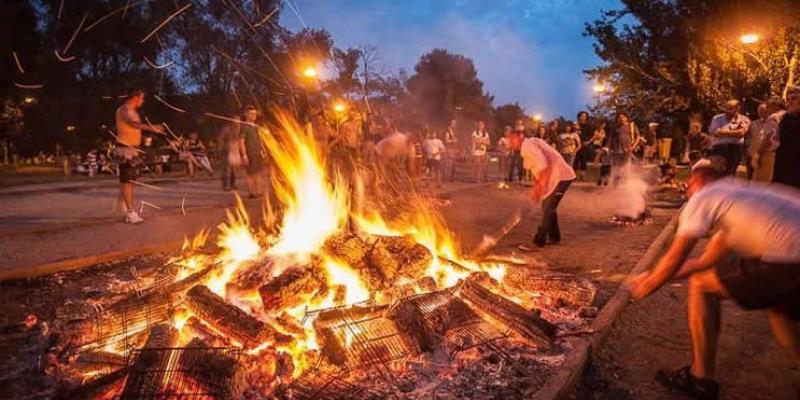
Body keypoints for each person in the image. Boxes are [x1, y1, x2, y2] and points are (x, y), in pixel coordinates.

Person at [629, 167, 800, 399]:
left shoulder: (705, 196)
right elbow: (700, 262)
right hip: (791, 259)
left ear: (698, 180)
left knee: (701, 286)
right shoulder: (738, 197)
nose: (687, 189)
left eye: (689, 183)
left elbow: (676, 256)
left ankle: (700, 379)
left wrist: (648, 286)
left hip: (791, 260)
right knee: (780, 311)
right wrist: (653, 274)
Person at [113, 90, 165, 224]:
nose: (143, 101)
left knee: (129, 180)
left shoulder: (130, 110)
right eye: (142, 98)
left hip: (132, 149)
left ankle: (124, 205)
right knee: (128, 180)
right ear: (135, 97)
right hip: (125, 150)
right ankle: (130, 213)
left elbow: (132, 129)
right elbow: (132, 123)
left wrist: (142, 139)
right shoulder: (125, 110)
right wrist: (152, 128)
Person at [519, 135, 576, 249]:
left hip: (560, 178)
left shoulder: (527, 145)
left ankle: (538, 241)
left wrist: (538, 188)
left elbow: (542, 164)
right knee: (550, 207)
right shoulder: (533, 142)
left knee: (547, 208)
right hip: (560, 177)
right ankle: (554, 237)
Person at [708, 100, 750, 176]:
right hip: (720, 148)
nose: (727, 110)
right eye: (726, 108)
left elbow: (741, 133)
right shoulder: (717, 119)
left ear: (737, 109)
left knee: (731, 172)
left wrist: (723, 132)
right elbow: (716, 133)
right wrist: (735, 132)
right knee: (716, 171)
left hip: (735, 148)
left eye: (730, 108)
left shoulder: (744, 119)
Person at [771, 87, 800, 188]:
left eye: (794, 98)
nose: (790, 102)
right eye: (788, 99)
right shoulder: (785, 118)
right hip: (783, 164)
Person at [752, 96, 785, 183]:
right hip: (784, 153)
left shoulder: (774, 117)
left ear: (775, 105)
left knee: (760, 181)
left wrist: (758, 153)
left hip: (769, 153)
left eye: (768, 105)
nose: (767, 108)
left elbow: (770, 137)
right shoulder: (787, 115)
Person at [241, 106, 266, 198]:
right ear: (246, 115)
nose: (254, 116)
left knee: (258, 172)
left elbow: (260, 139)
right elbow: (241, 142)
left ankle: (258, 191)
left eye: (255, 114)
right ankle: (251, 193)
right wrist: (244, 155)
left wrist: (263, 150)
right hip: (250, 153)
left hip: (257, 153)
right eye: (251, 114)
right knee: (250, 174)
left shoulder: (256, 127)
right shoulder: (244, 127)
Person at [218, 117, 244, 191]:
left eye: (238, 120)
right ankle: (225, 185)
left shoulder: (239, 129)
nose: (237, 122)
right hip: (227, 151)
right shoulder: (227, 129)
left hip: (236, 150)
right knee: (227, 169)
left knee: (234, 170)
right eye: (236, 120)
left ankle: (232, 184)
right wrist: (222, 148)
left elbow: (241, 139)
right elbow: (221, 139)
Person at [505, 119, 526, 183]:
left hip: (521, 151)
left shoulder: (524, 134)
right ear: (516, 125)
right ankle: (510, 178)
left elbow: (525, 142)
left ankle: (520, 178)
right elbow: (511, 142)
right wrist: (512, 149)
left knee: (520, 165)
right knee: (512, 164)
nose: (519, 126)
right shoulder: (513, 134)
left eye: (520, 124)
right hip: (514, 150)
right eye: (518, 124)